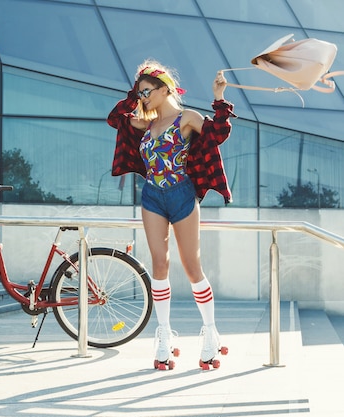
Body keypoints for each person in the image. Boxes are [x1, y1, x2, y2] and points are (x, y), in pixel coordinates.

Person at [107, 59, 235, 370]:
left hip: (181, 193)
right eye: (140, 94)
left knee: (192, 267)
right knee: (159, 264)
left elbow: (218, 133)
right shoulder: (144, 125)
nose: (143, 98)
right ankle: (163, 334)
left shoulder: (186, 118)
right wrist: (136, 93)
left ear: (165, 90)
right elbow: (115, 118)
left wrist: (218, 98)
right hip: (152, 195)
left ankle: (210, 333)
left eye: (147, 91)